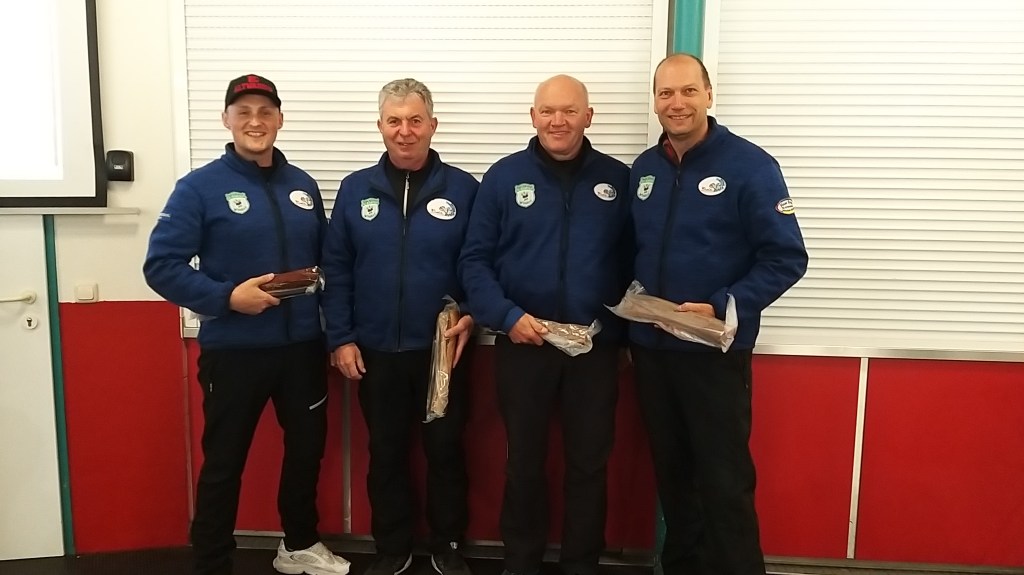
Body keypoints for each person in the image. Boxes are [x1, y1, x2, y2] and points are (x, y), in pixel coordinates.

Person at [143, 74, 350, 575]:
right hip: (234, 353)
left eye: (265, 112)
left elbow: (326, 262)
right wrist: (227, 298)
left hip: (302, 349)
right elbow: (161, 266)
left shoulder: (302, 185)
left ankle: (298, 545)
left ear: (279, 119)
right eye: (244, 112)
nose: (255, 122)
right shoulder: (198, 188)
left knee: (306, 453)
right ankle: (212, 561)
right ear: (227, 120)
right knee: (224, 461)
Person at [628, 53, 809, 575]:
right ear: (655, 101)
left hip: (713, 354)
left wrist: (724, 304)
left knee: (724, 482)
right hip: (653, 354)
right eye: (666, 93)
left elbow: (786, 258)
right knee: (673, 480)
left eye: (688, 91)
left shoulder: (751, 166)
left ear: (709, 94)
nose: (677, 103)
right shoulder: (644, 170)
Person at [458, 75, 632, 575]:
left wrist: (623, 336)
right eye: (548, 111)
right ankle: (521, 563)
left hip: (595, 352)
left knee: (589, 466)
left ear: (588, 116)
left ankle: (581, 565)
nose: (558, 121)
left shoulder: (618, 181)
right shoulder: (503, 177)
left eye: (569, 111)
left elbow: (633, 265)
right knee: (524, 464)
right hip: (523, 345)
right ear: (533, 116)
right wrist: (506, 317)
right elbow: (475, 261)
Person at [320, 78, 478, 575]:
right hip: (376, 351)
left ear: (433, 125)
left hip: (442, 352)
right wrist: (341, 337)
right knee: (386, 452)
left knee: (445, 451)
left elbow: (481, 263)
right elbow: (337, 269)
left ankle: (447, 543)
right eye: (394, 121)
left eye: (414, 120)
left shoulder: (465, 189)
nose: (404, 131)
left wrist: (473, 310)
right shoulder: (355, 190)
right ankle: (392, 547)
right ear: (380, 125)